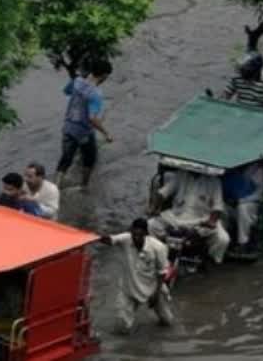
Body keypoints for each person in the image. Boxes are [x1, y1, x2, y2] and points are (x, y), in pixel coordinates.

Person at [102, 219, 174, 333]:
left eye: (140, 235)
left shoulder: (158, 247)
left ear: (146, 234)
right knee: (122, 329)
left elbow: (162, 272)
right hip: (130, 289)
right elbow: (109, 239)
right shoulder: (126, 239)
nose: (136, 238)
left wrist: (156, 293)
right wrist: (91, 237)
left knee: (167, 322)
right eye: (134, 234)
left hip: (153, 287)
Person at [149, 169, 230, 264]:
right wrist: (153, 207)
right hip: (177, 217)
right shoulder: (181, 175)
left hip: (202, 219)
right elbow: (162, 193)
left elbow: (217, 207)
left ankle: (211, 261)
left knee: (223, 239)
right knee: (150, 224)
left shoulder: (214, 181)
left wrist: (211, 221)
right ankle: (158, 252)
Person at [56, 59, 114, 189]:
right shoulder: (96, 94)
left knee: (66, 159)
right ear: (104, 75)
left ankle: (56, 186)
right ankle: (83, 187)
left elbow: (66, 91)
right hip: (84, 133)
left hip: (68, 127)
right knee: (90, 159)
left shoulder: (77, 81)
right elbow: (92, 118)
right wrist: (106, 133)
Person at [221, 162, 263, 248]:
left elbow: (258, 195)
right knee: (221, 206)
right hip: (231, 203)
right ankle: (224, 237)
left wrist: (241, 201)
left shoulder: (257, 170)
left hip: (249, 205)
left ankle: (243, 242)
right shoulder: (230, 168)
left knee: (243, 208)